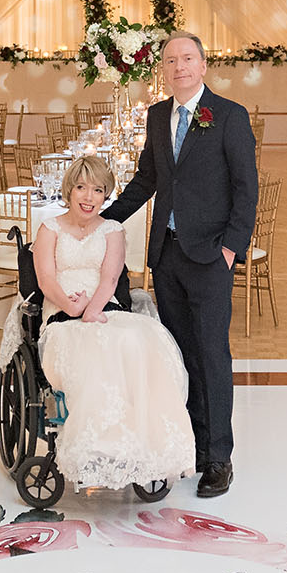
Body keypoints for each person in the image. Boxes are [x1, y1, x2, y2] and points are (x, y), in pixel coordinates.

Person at [101, 32, 258, 498]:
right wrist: (100, 220)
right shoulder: (155, 116)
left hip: (211, 256)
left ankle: (219, 458)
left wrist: (230, 248)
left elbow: (245, 190)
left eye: (188, 58)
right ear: (163, 70)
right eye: (171, 61)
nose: (179, 67)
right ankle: (188, 443)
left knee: (212, 355)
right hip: (167, 256)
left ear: (203, 65)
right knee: (179, 356)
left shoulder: (228, 116)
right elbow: (147, 179)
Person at [34, 154, 197, 492]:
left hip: (104, 307)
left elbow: (109, 278)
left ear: (106, 194)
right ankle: (93, 445)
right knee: (92, 350)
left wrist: (93, 310)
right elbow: (46, 279)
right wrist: (70, 306)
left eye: (97, 190)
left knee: (138, 342)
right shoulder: (50, 229)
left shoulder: (112, 230)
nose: (88, 197)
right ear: (69, 190)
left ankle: (139, 446)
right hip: (62, 314)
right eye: (81, 188)